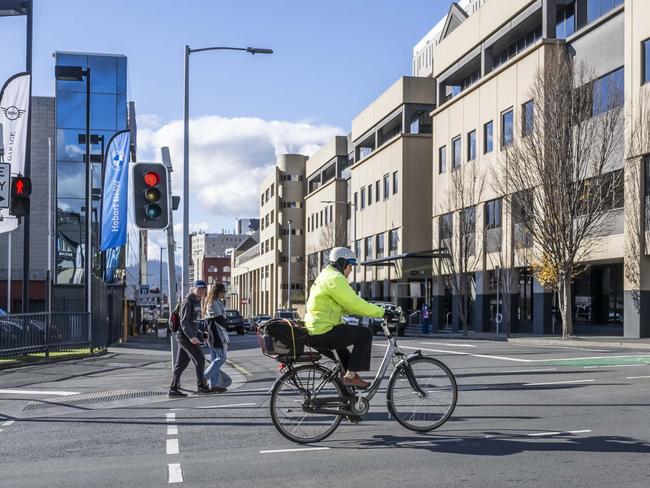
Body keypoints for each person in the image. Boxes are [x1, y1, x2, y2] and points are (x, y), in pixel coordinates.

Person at [305, 247, 385, 389]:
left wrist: (364, 311)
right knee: (364, 334)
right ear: (341, 263)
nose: (351, 270)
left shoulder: (325, 275)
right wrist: (381, 312)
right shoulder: (335, 278)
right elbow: (354, 302)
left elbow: (344, 306)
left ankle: (348, 399)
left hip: (315, 330)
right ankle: (351, 377)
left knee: (346, 360)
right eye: (350, 265)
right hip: (323, 331)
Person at [169, 280, 212, 397]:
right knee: (200, 359)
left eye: (203, 288)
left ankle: (173, 390)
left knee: (181, 364)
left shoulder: (198, 301)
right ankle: (201, 386)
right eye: (199, 288)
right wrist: (191, 337)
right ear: (193, 288)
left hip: (188, 336)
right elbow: (184, 321)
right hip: (184, 336)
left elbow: (195, 322)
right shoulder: (189, 301)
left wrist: (201, 334)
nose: (201, 291)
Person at [202, 283, 231, 393]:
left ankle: (213, 385)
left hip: (213, 334)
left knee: (215, 360)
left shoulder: (214, 301)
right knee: (221, 358)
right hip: (215, 335)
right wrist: (226, 320)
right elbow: (220, 320)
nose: (225, 294)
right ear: (219, 292)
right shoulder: (213, 303)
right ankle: (204, 377)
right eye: (223, 292)